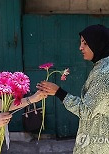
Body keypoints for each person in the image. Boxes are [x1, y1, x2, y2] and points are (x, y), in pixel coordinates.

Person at [37, 24, 109, 154]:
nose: (80, 47)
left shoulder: (105, 73)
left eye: (85, 43)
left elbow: (86, 111)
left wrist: (59, 92)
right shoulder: (101, 66)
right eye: (81, 42)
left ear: (98, 43)